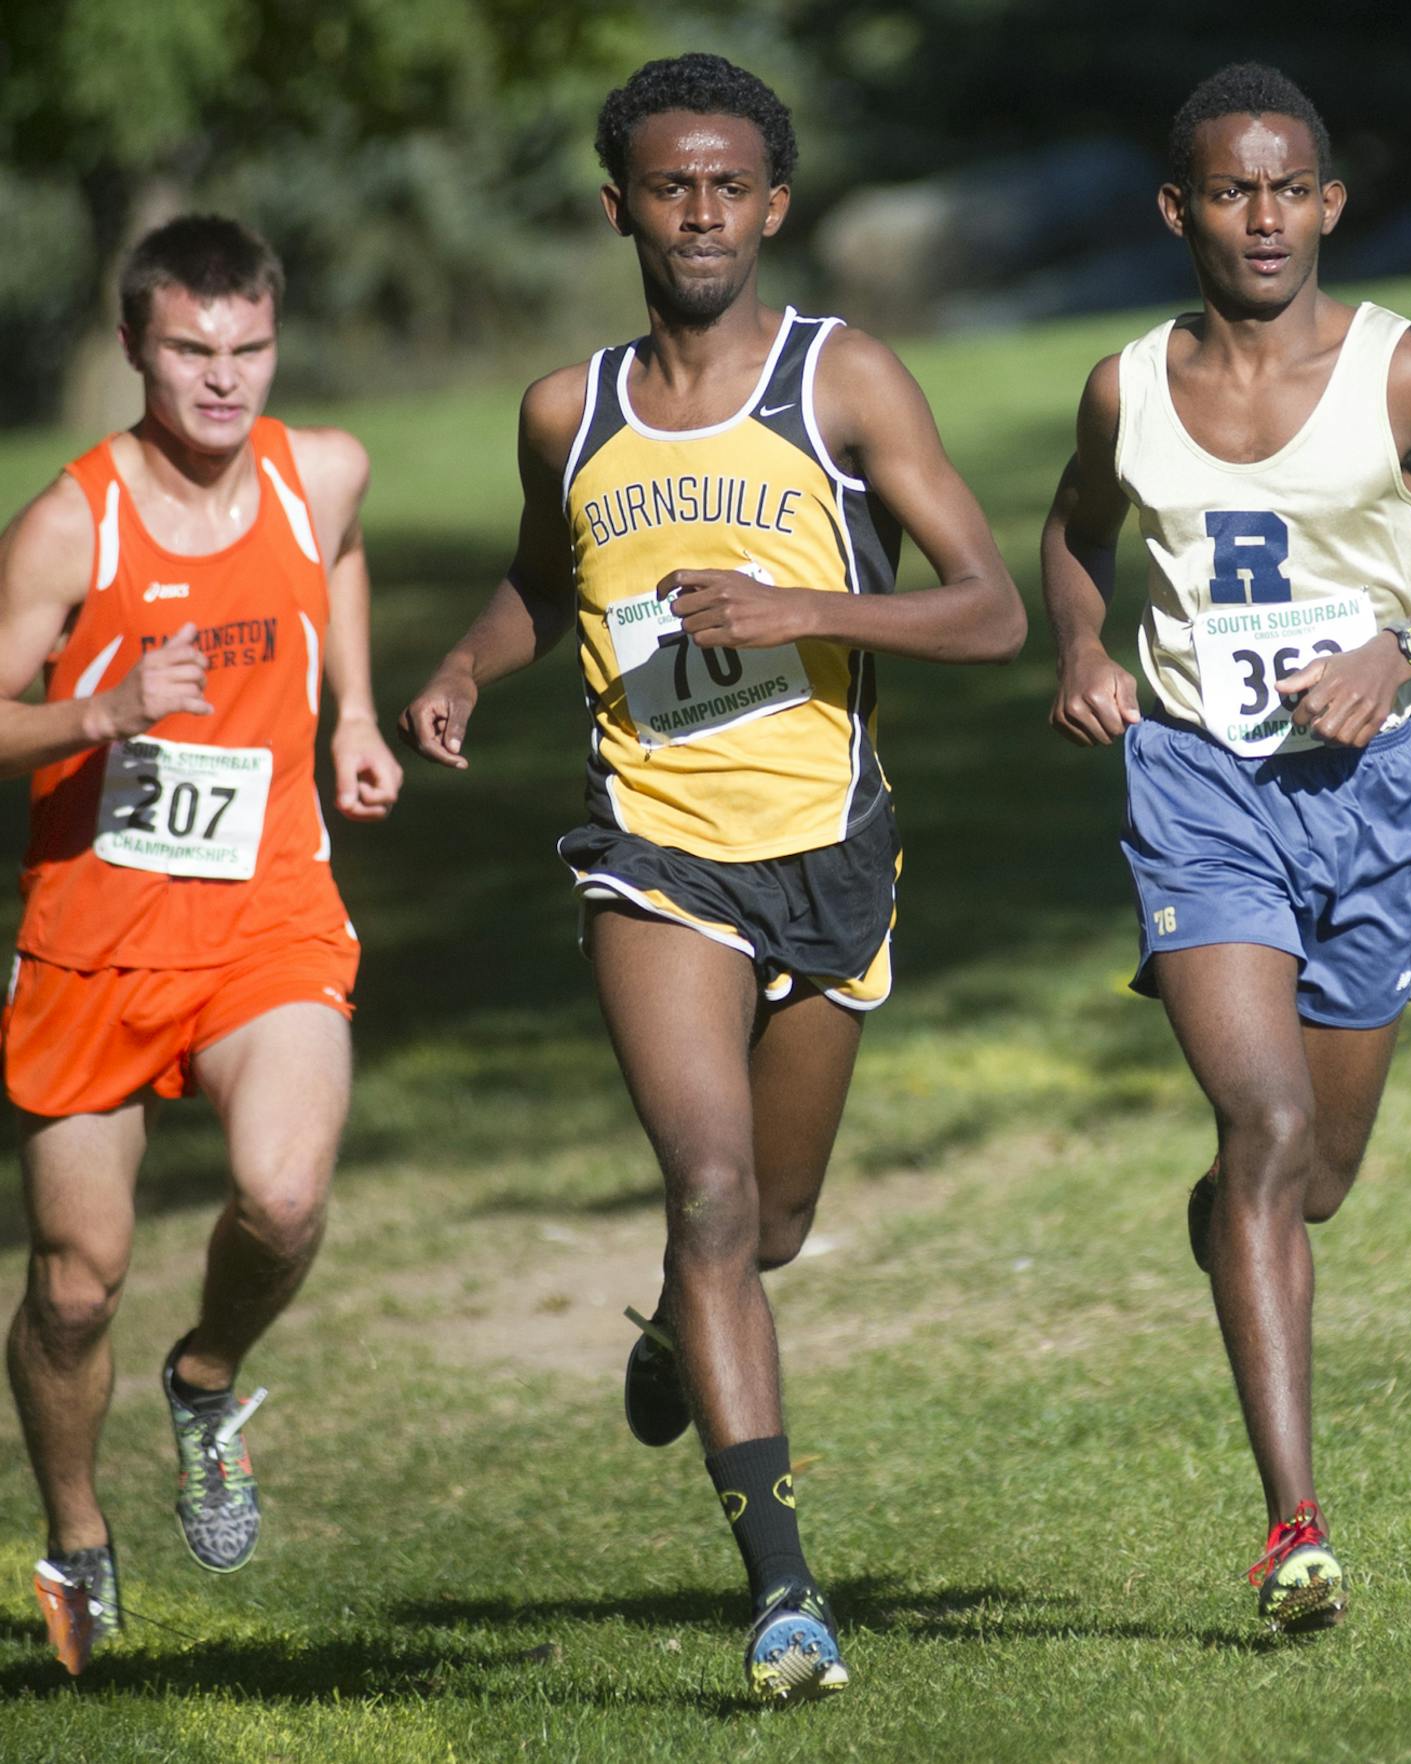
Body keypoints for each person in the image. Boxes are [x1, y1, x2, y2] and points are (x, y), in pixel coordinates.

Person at [399, 54, 1024, 1702]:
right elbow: (547, 577)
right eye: (668, 185)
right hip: (652, 847)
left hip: (826, 845)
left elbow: (991, 609)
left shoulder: (845, 383)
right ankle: (786, 1592)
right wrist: (469, 661)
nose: (698, 210)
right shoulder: (570, 408)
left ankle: (688, 1326)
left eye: (727, 184)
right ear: (620, 207)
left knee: (778, 1215)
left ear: (774, 205)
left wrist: (802, 612)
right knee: (714, 1191)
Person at [1040, 63, 1411, 1631]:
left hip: (1375, 798)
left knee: (1312, 1179)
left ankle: (1237, 1232)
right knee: (1264, 1126)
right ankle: (1294, 1527)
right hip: (1199, 788)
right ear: (1177, 209)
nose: (1259, 216)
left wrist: (1402, 648)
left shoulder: (1405, 377)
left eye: (1287, 188)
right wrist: (1081, 652)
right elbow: (1072, 532)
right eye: (1227, 189)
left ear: (1329, 203)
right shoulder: (1126, 388)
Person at [0, 216, 403, 1673]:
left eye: (248, 351)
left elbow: (340, 555)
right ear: (134, 348)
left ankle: (206, 1376)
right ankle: (76, 1533)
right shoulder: (70, 523)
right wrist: (99, 712)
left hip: (265, 917)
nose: (223, 383)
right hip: (91, 941)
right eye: (190, 352)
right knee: (73, 1282)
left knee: (285, 1197)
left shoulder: (325, 470)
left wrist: (353, 711)